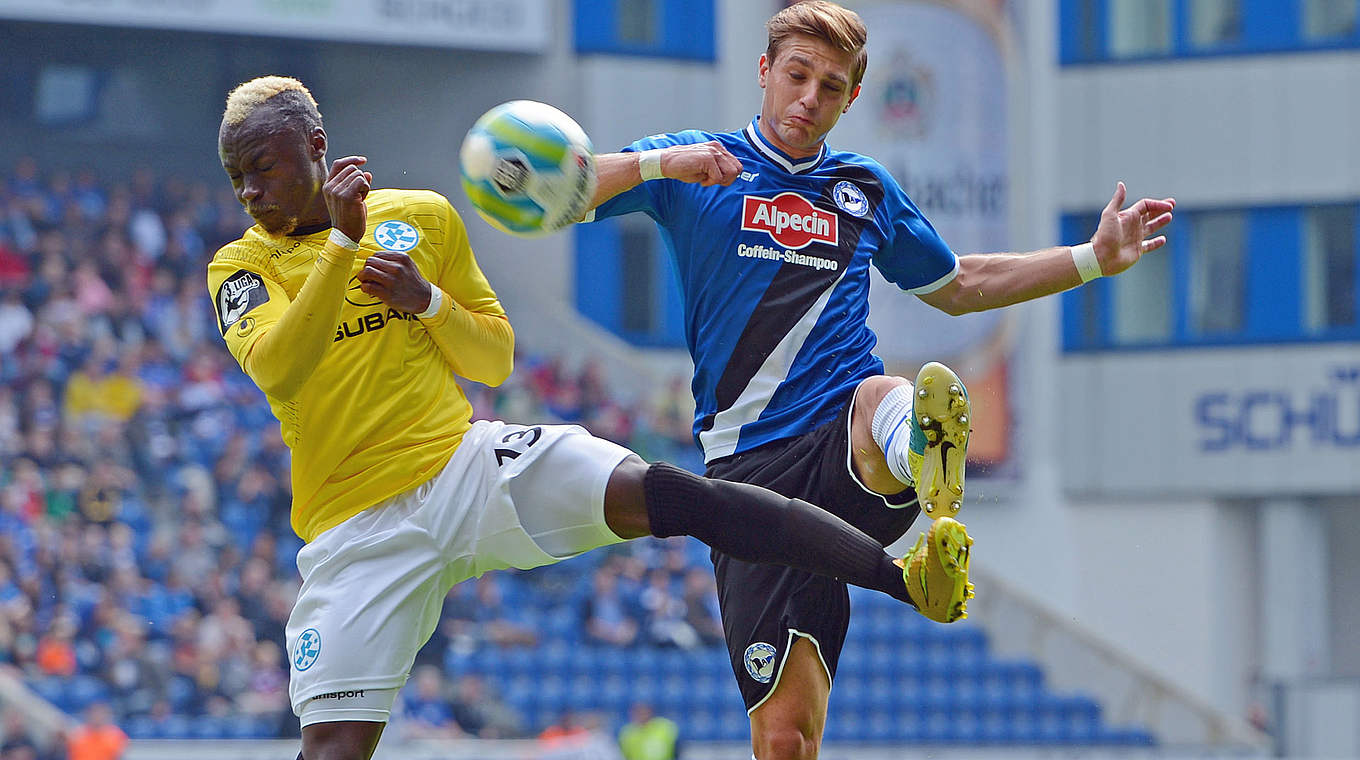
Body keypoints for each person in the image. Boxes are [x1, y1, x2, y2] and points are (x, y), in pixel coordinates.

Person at [206, 75, 970, 760]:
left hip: (465, 466)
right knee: (335, 750)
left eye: (263, 169)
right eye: (238, 178)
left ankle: (904, 581)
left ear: (315, 146)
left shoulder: (424, 219)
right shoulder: (241, 266)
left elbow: (494, 360)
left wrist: (427, 302)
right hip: (355, 526)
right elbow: (279, 364)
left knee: (674, 494)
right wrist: (342, 241)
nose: (250, 192)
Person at [582, 3, 1175, 758]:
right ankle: (913, 468)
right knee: (785, 737)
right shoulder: (694, 164)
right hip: (749, 481)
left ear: (853, 98)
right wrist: (660, 164)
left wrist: (1092, 259)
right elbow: (573, 189)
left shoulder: (862, 188)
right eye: (797, 76)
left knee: (883, 392)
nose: (809, 99)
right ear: (764, 72)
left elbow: (960, 283)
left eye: (831, 87)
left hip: (843, 448)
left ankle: (923, 460)